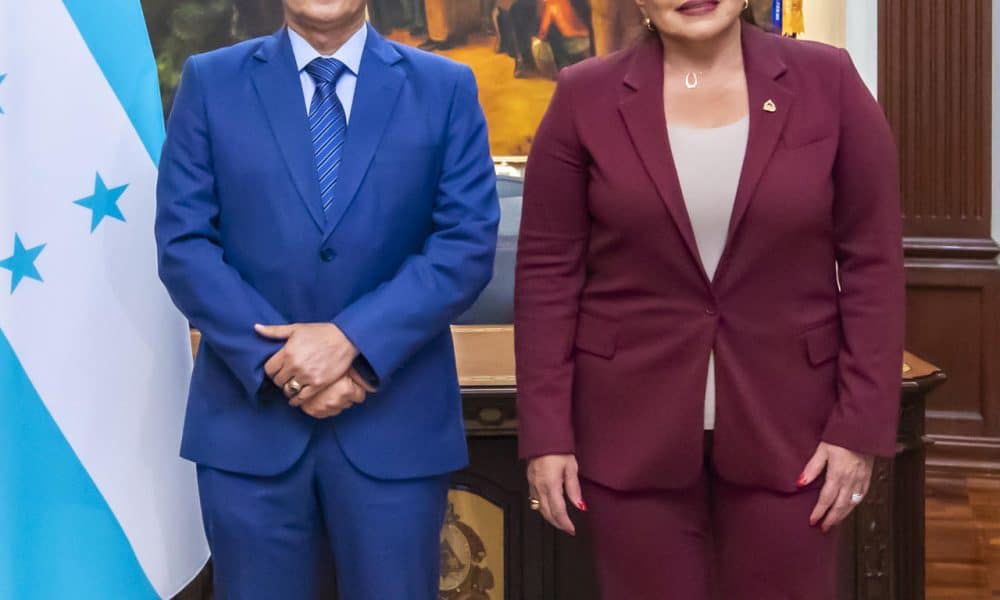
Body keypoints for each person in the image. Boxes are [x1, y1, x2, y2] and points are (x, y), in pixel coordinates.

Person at [513, 0, 904, 598]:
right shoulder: (582, 96)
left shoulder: (831, 81)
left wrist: (859, 429)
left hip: (796, 434)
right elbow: (546, 276)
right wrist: (546, 434)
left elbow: (874, 266)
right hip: (627, 433)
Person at [155, 0, 500, 597]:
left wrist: (352, 345)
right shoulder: (211, 82)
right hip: (249, 430)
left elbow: (465, 245)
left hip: (395, 427)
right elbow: (184, 245)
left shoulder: (444, 87)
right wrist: (285, 367)